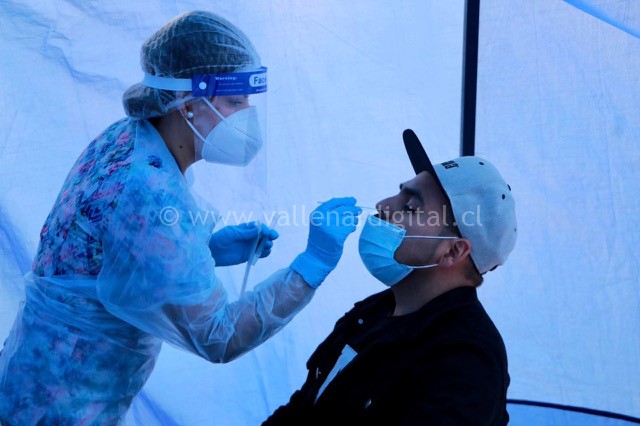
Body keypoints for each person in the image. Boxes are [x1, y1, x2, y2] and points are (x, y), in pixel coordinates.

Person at [0, 11, 361, 424]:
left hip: (30, 377)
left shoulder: (127, 137)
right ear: (188, 104)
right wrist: (312, 265)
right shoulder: (150, 193)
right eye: (236, 101)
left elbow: (113, 252)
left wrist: (202, 249)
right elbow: (219, 336)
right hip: (65, 405)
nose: (248, 114)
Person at [263, 129, 517, 425]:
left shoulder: (465, 359)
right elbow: (303, 408)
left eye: (410, 206)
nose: (383, 204)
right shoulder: (373, 312)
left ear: (453, 251)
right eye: (398, 192)